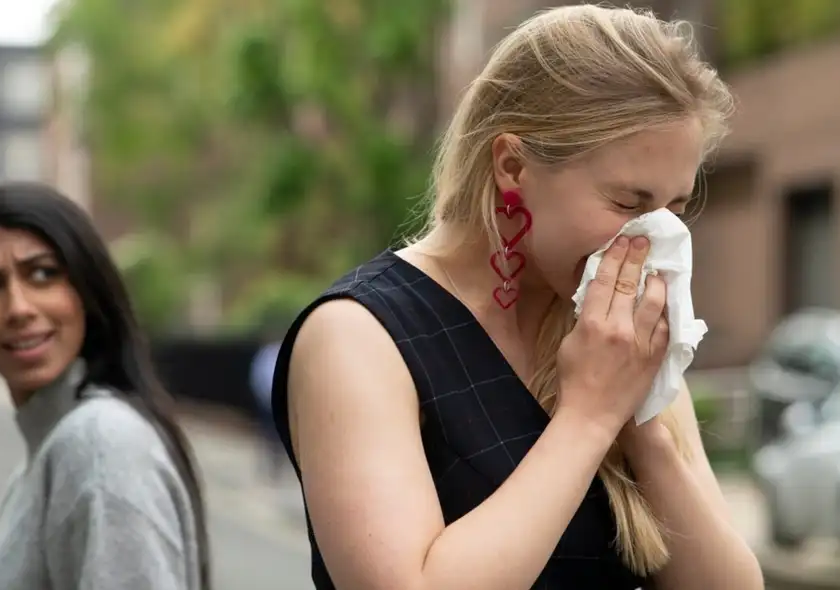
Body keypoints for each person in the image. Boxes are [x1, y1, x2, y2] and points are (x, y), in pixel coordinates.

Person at [272, 6, 763, 590]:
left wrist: (644, 429)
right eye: (628, 204)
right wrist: (589, 417)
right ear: (512, 166)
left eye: (675, 210)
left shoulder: (614, 333)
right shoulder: (359, 336)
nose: (656, 237)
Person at [0, 183, 209, 590]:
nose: (19, 308)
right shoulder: (48, 455)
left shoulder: (99, 443)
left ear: (86, 288)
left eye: (43, 274)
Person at [249, 336, 287, 481]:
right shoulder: (266, 355)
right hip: (268, 402)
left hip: (281, 402)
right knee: (269, 434)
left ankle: (280, 463)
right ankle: (271, 463)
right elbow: (259, 378)